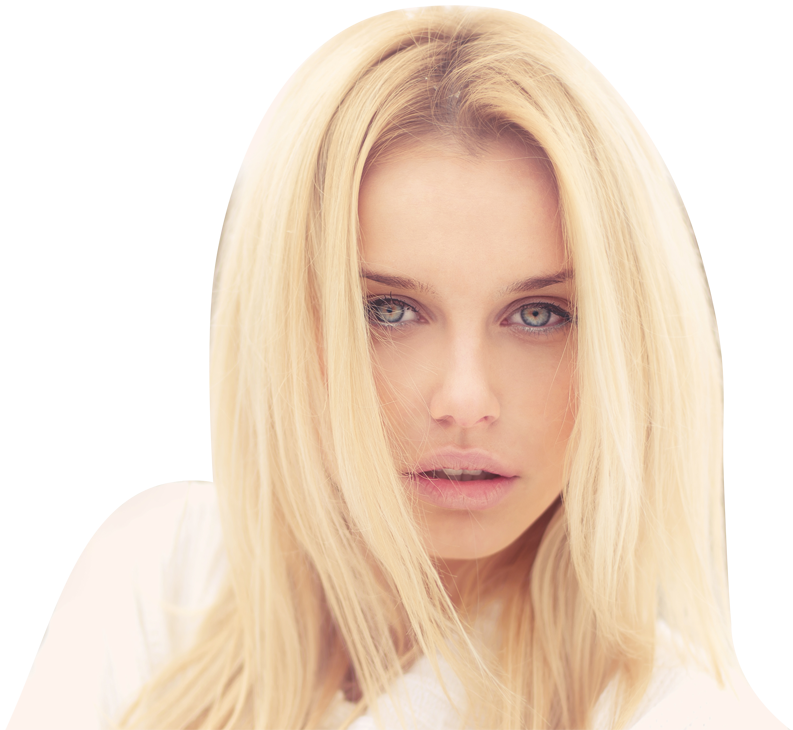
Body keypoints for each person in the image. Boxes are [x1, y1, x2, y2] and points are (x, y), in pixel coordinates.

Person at [33, 9, 751, 730]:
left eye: (539, 314)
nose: (464, 399)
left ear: (629, 348)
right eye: (389, 310)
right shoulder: (159, 589)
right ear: (286, 321)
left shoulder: (671, 715)